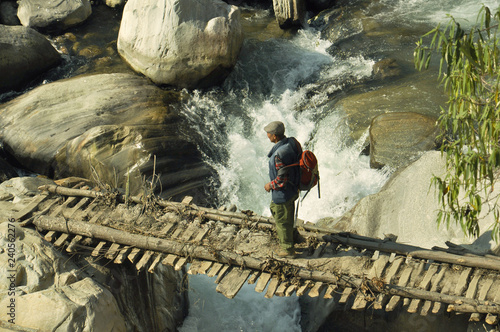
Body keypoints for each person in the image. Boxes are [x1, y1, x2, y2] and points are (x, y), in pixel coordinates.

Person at [264, 121, 301, 258]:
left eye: (269, 133)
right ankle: (294, 236)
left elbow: (281, 180)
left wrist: (269, 185)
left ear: (274, 136)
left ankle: (288, 249)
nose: (267, 135)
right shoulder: (291, 143)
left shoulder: (278, 155)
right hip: (293, 189)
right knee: (288, 214)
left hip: (282, 194)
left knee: (281, 219)